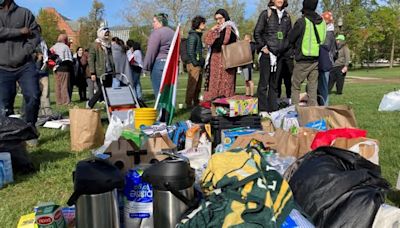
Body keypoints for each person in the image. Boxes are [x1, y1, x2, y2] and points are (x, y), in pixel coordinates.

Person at [0, 0, 41, 126]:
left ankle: (30, 127)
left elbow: (35, 36)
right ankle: (7, 134)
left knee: (33, 96)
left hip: (25, 65)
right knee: (3, 104)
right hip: (2, 66)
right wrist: (20, 31)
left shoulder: (25, 13)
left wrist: (25, 52)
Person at [254, 0, 292, 115]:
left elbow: (289, 36)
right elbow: (257, 32)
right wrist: (263, 47)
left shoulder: (287, 16)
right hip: (267, 55)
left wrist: (285, 48)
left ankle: (273, 109)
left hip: (280, 55)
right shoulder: (266, 14)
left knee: (275, 84)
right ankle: (263, 109)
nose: (280, 0)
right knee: (263, 84)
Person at [289, 0, 326, 106]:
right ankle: (312, 113)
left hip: (302, 60)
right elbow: (322, 40)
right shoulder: (322, 22)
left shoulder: (301, 22)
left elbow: (291, 38)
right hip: (315, 59)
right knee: (312, 88)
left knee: (296, 86)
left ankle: (295, 111)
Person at [203, 9, 238, 101]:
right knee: (215, 82)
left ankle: (223, 103)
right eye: (216, 19)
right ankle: (214, 102)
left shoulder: (229, 27)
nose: (218, 21)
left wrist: (213, 40)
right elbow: (206, 41)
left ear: (225, 17)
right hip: (216, 61)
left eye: (220, 18)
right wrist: (212, 30)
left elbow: (223, 42)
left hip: (225, 59)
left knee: (225, 83)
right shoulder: (219, 29)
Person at [143, 13, 174, 99]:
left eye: (154, 21)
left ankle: (161, 111)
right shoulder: (172, 32)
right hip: (170, 64)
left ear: (160, 22)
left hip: (159, 64)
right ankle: (167, 112)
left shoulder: (157, 33)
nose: (153, 24)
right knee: (168, 93)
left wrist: (146, 67)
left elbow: (151, 51)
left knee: (159, 93)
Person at [87, 27, 115, 109]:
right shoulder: (94, 45)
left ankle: (110, 108)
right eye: (105, 33)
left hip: (109, 71)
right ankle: (90, 104)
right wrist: (92, 73)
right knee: (101, 90)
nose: (107, 35)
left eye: (107, 34)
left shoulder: (108, 44)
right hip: (100, 72)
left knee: (108, 90)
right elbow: (91, 59)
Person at [185, 15, 206, 108]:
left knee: (198, 86)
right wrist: (195, 63)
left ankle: (196, 102)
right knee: (192, 85)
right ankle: (188, 104)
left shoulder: (198, 35)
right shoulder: (193, 36)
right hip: (193, 64)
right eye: (203, 23)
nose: (205, 25)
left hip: (198, 64)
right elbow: (190, 51)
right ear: (199, 24)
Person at [317, 11, 336, 106]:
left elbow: (326, 46)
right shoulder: (327, 31)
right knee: (320, 85)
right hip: (324, 61)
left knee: (324, 86)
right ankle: (321, 104)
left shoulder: (329, 32)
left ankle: (325, 106)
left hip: (325, 62)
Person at [51, 34, 73, 105]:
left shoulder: (53, 47)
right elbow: (69, 59)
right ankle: (65, 101)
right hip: (64, 68)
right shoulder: (65, 47)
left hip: (55, 68)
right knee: (64, 85)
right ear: (65, 40)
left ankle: (58, 101)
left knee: (57, 85)